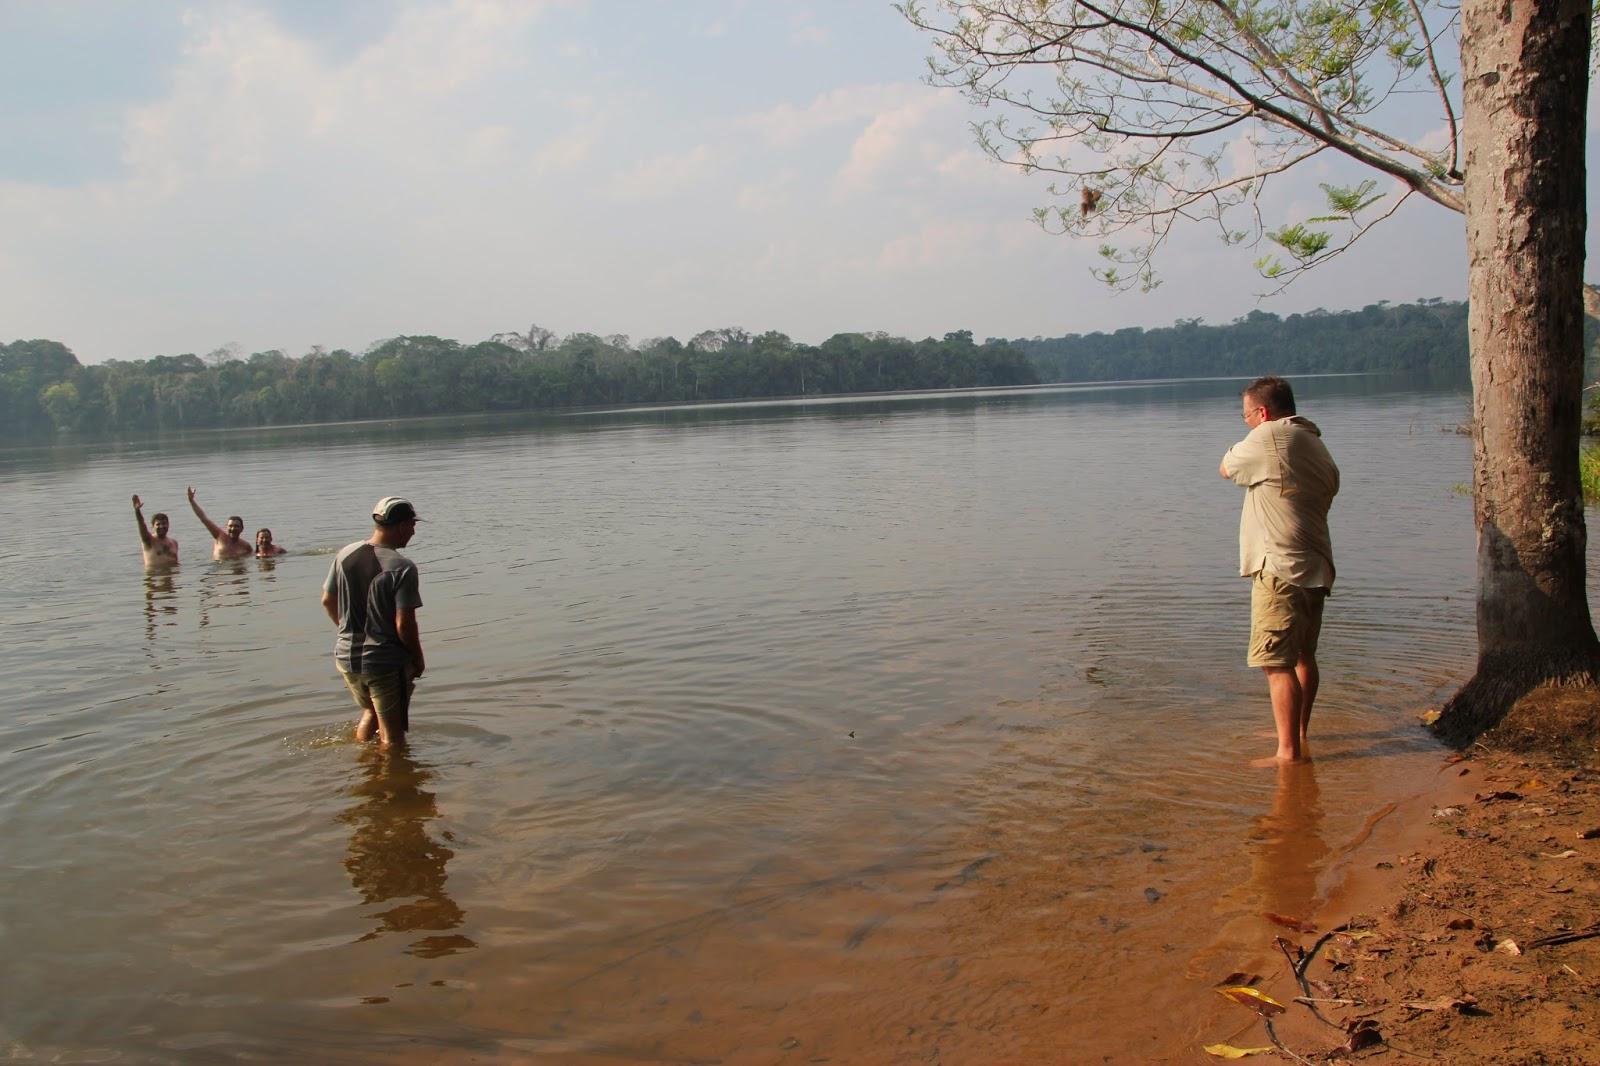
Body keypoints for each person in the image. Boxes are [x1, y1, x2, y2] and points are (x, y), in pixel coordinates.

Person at [1219, 376, 1339, 764]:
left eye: (1246, 416)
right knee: (1304, 656)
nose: (1246, 423)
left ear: (1263, 412)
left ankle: (1287, 753)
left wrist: (1244, 443)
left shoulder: (1269, 436)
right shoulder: (1313, 441)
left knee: (1275, 662)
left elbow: (1226, 468)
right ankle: (1298, 733)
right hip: (1315, 563)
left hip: (1280, 566)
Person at [321, 497, 426, 748]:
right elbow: (404, 625)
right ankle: (392, 783)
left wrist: (347, 632)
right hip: (383, 661)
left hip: (346, 658)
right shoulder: (402, 567)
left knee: (371, 711)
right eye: (412, 524)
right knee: (393, 737)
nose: (413, 530)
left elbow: (327, 600)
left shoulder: (344, 554)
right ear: (400, 526)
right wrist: (418, 658)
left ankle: (366, 767)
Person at [187, 485, 253, 560]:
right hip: (219, 569)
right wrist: (191, 501)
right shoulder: (219, 536)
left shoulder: (246, 546)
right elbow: (204, 518)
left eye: (236, 526)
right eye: (230, 526)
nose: (233, 528)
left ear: (242, 529)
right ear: (226, 527)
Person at [132, 495, 179, 568]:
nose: (161, 526)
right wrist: (137, 511)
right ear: (153, 526)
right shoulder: (148, 541)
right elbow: (141, 524)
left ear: (168, 524)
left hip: (171, 576)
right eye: (158, 524)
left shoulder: (174, 543)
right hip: (154, 577)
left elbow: (176, 563)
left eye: (164, 523)